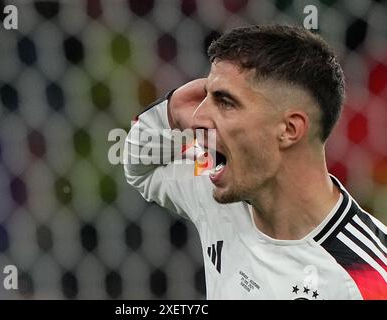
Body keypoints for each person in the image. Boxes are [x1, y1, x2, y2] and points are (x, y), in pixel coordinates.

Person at [123, 25, 387, 299]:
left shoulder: (365, 280)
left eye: (225, 102)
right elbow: (142, 169)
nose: (198, 118)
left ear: (289, 129)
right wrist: (171, 111)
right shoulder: (220, 189)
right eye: (206, 96)